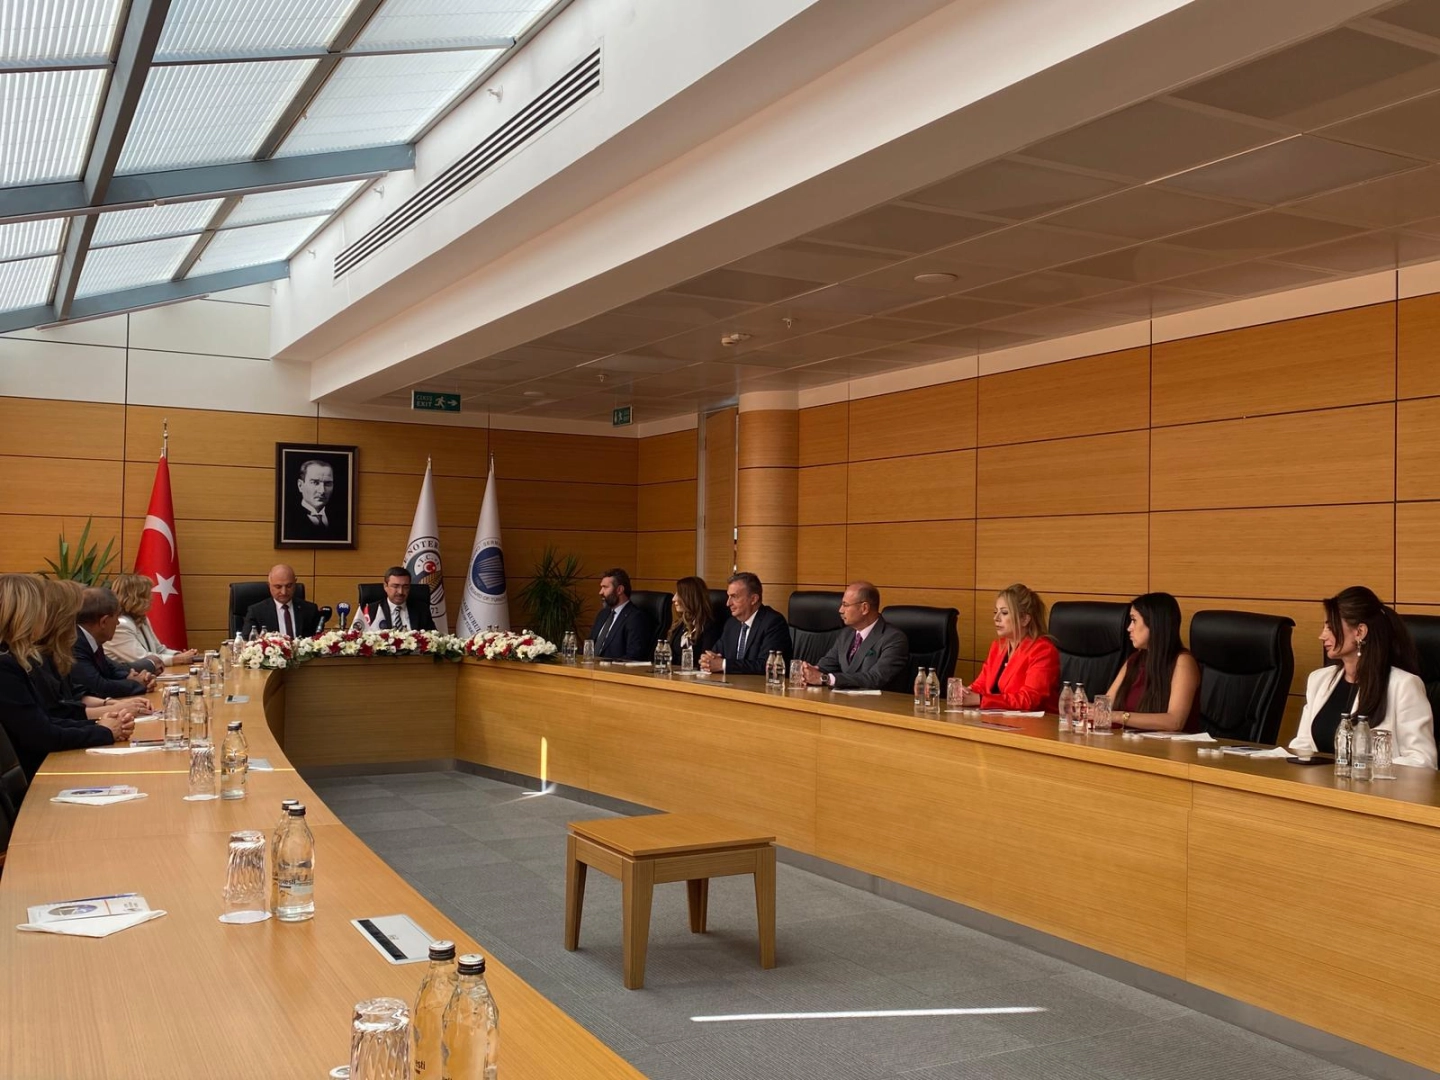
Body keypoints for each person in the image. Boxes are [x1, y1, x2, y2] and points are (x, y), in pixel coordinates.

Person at [0, 574, 131, 780]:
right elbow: (41, 734)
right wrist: (103, 731)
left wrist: (100, 725)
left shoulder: (13, 658)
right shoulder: (5, 665)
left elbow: (46, 720)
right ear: (26, 614)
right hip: (37, 778)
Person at [1289, 586, 1436, 768]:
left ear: (1359, 632)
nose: (1322, 636)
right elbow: (1302, 746)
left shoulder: (1404, 686)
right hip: (1318, 784)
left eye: (1330, 627)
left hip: (1375, 786)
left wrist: (1364, 771)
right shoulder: (1319, 680)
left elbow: (1423, 762)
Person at [34, 579, 150, 722]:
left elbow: (74, 693)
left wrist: (111, 704)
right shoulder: (38, 658)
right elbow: (55, 715)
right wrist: (110, 719)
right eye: (75, 616)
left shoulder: (56, 649)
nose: (78, 622)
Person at [1103, 592, 1201, 732]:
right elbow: (1105, 707)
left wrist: (1119, 716)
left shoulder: (1183, 662)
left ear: (1154, 624)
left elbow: (1175, 722)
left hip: (1167, 745)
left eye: (1134, 620)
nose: (1129, 628)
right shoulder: (1134, 659)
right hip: (1128, 741)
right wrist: (1082, 708)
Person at [956, 584, 1061, 711]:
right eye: (995, 612)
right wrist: (965, 692)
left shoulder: (1043, 650)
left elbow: (1030, 699)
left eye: (1004, 613)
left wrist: (981, 699)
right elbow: (981, 685)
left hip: (1036, 721)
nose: (996, 618)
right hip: (998, 719)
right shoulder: (998, 646)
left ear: (1024, 619)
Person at [801, 581, 909, 690]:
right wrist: (809, 671)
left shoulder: (894, 639)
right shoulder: (846, 633)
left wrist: (826, 679)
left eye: (845, 605)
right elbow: (827, 665)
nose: (840, 610)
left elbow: (876, 678)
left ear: (864, 608)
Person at [701, 572, 792, 676]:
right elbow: (715, 654)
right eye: (728, 596)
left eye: (734, 597)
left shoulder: (773, 622)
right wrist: (707, 660)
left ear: (753, 599)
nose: (728, 603)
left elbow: (768, 665)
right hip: (731, 683)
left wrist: (723, 665)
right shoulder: (731, 623)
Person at [71, 587, 154, 700]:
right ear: (104, 622)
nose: (118, 622)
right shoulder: (75, 643)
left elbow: (111, 669)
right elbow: (98, 687)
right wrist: (137, 684)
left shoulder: (92, 638)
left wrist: (137, 678)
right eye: (116, 617)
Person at [106, 572, 196, 673]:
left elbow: (158, 649)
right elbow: (142, 658)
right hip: (126, 679)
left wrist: (181, 655)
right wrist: (177, 659)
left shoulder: (141, 619)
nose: (151, 598)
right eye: (147, 595)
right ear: (136, 598)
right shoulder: (119, 625)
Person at [587, 568, 655, 661]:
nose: (601, 592)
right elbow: (589, 645)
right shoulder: (603, 614)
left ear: (619, 590)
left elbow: (634, 656)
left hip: (614, 669)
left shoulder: (635, 618)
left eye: (605, 587)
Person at [241, 564, 322, 637]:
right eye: (278, 587)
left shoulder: (310, 610)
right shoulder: (256, 612)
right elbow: (247, 641)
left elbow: (317, 640)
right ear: (269, 585)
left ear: (295, 583)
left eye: (289, 586)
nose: (284, 592)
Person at [361, 566, 436, 631]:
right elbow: (360, 637)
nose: (400, 592)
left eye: (405, 587)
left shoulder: (421, 609)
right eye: (395, 586)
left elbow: (433, 637)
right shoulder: (371, 610)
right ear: (385, 586)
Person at [668, 576, 721, 661]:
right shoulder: (680, 623)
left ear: (690, 597)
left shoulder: (709, 627)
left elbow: (705, 660)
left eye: (679, 594)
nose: (674, 599)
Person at [288, 458, 343, 540]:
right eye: (315, 482)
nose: (322, 491)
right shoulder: (287, 519)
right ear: (300, 485)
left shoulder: (341, 519)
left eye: (327, 483)